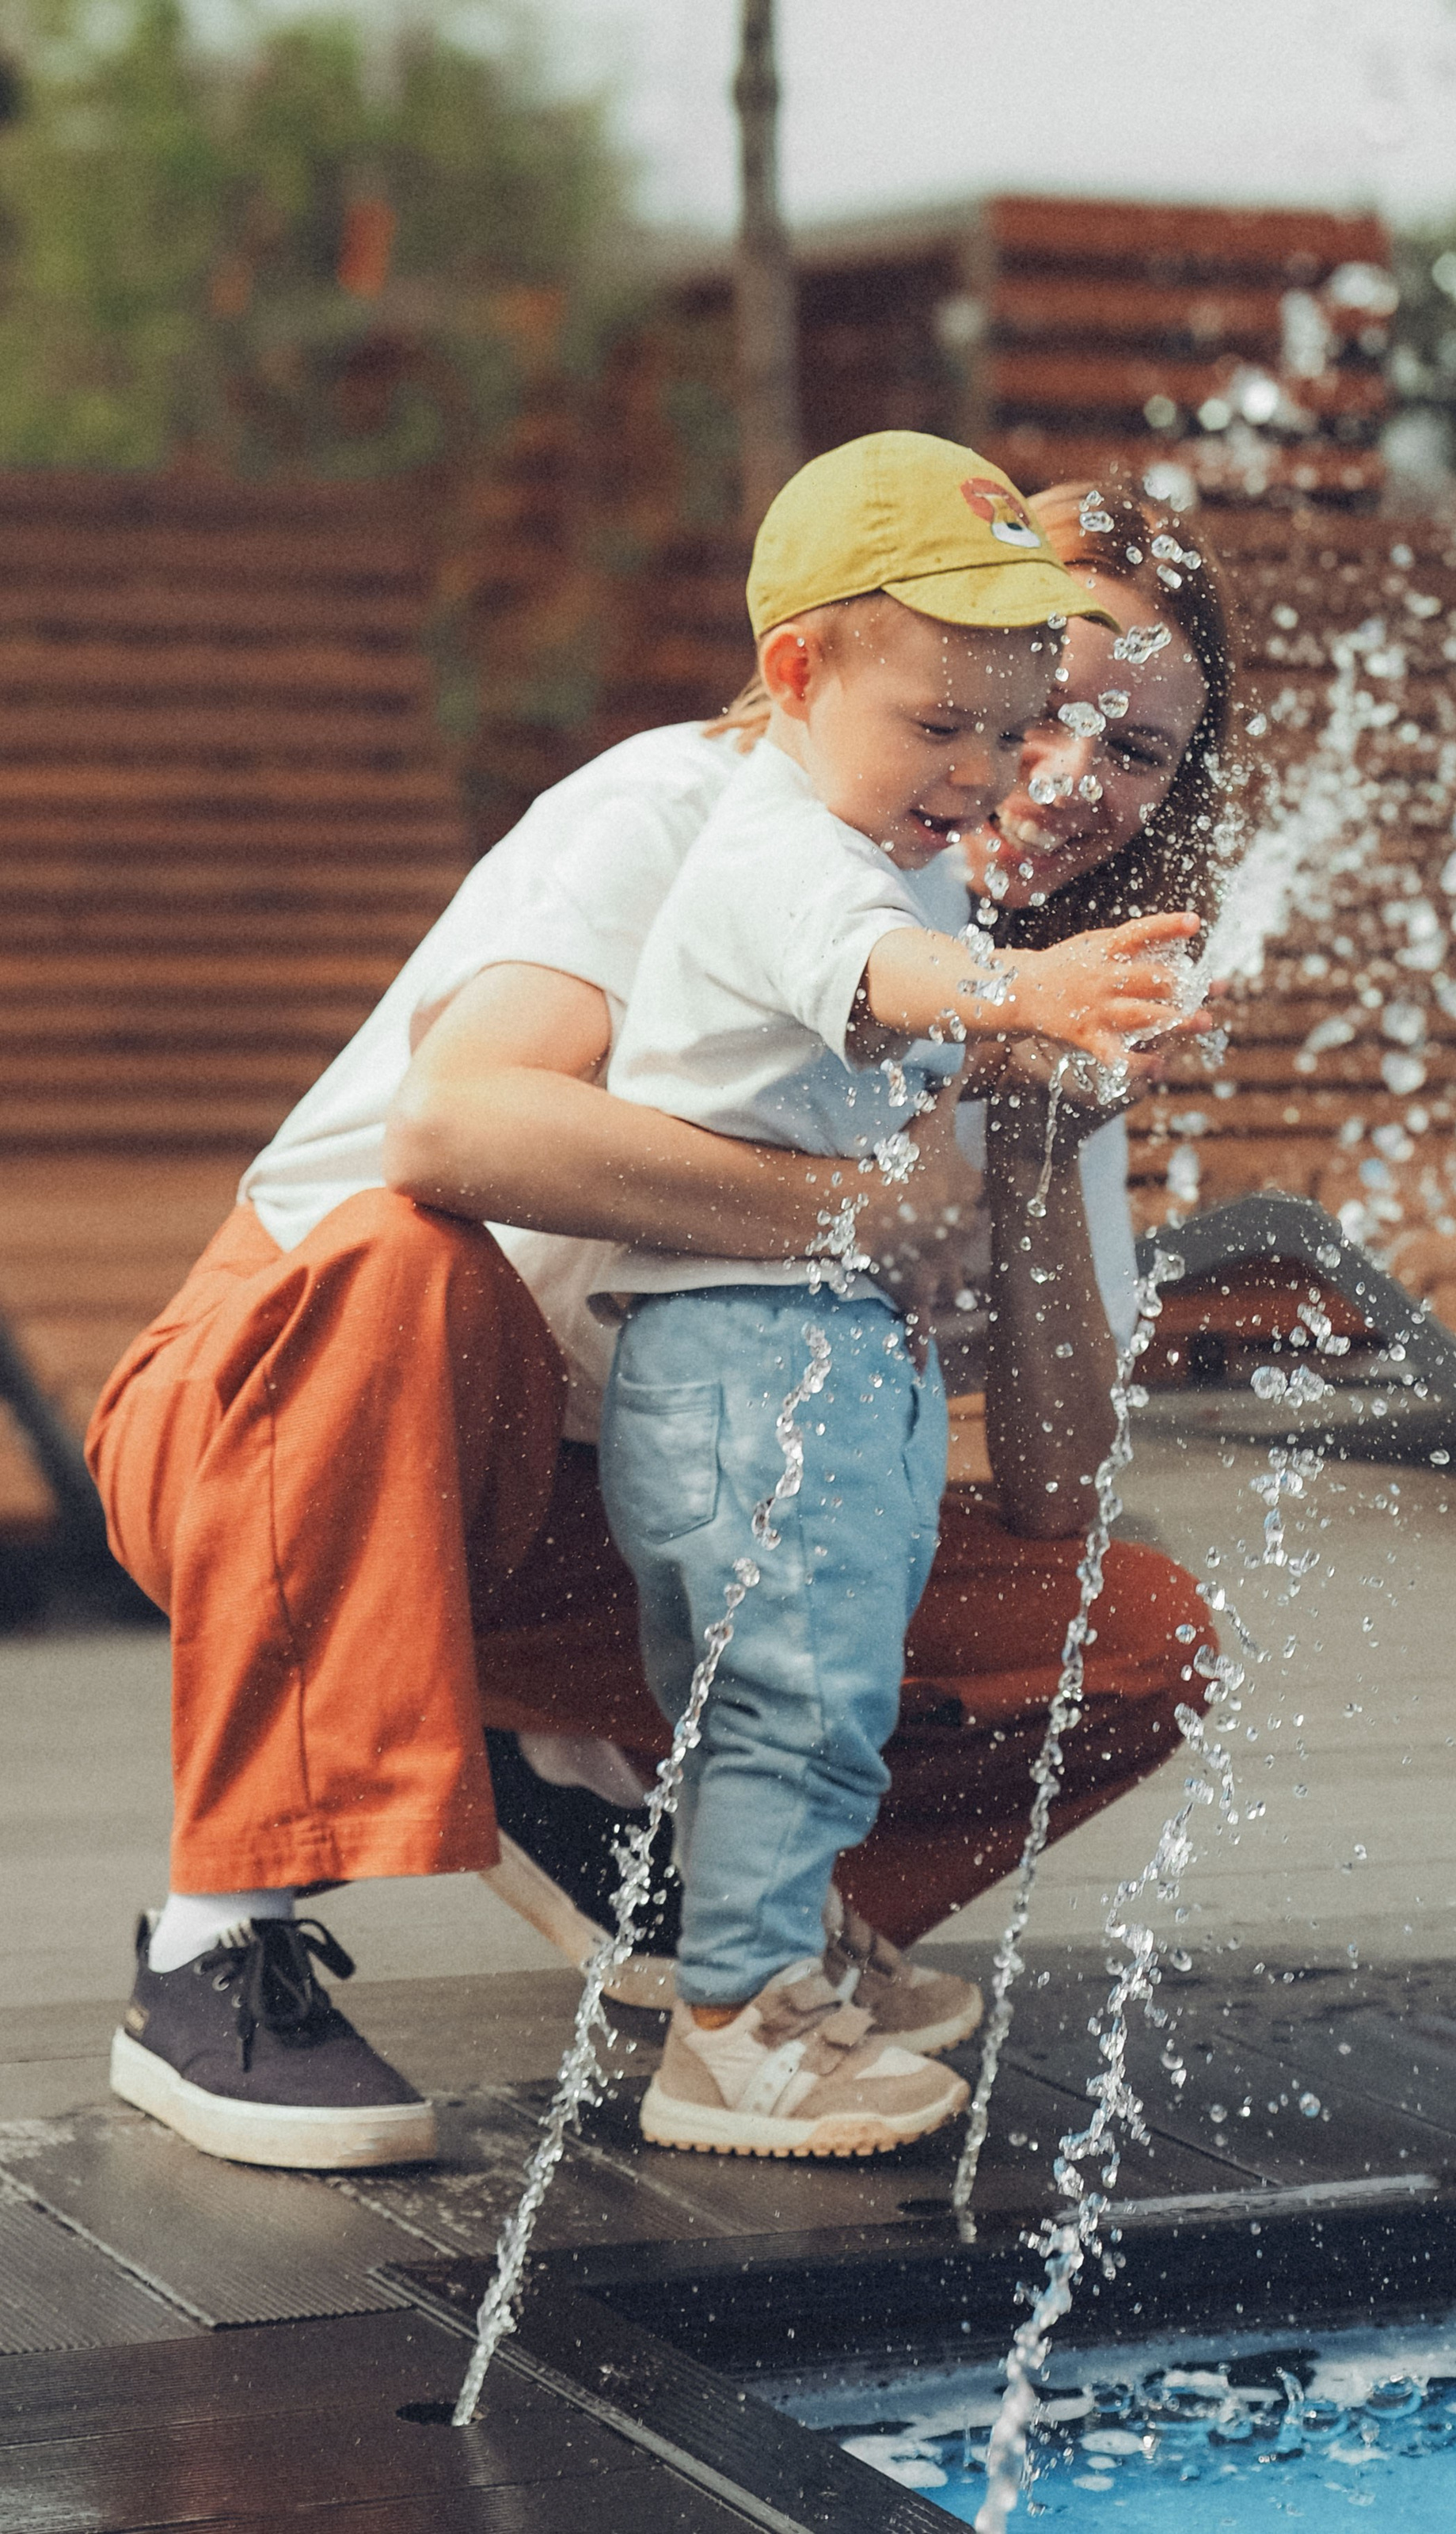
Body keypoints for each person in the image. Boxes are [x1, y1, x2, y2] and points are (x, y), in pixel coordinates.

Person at [85, 457, 1234, 2174]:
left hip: (625, 1511)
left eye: (1130, 748)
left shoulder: (1025, 981)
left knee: (1128, 1631)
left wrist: (1036, 1143)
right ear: (879, 665)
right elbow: (449, 1128)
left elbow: (1058, 1486)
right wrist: (856, 1218)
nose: (1053, 771)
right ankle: (212, 1941)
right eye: (1039, 698)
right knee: (420, 1263)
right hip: (296, 1427)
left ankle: (720, 1919)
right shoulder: (684, 812)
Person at [586, 435, 1199, 2159]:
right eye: (949, 730)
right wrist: (1021, 992)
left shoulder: (890, 839)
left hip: (812, 1353)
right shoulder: (783, 849)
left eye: (1009, 732)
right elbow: (880, 974)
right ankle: (737, 2030)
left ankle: (756, 1963)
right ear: (796, 673)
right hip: (741, 1350)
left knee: (805, 1682)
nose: (994, 773)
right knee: (790, 1685)